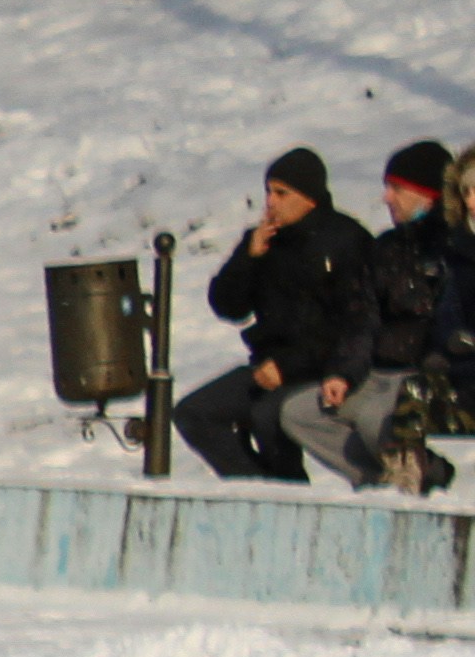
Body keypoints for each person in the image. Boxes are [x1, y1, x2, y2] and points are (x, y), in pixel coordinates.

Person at [182, 146, 366, 485]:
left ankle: (285, 491)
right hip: (267, 366)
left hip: (318, 368)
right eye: (268, 191)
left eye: (281, 193)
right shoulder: (265, 240)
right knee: (194, 413)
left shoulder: (344, 240)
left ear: (309, 197)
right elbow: (228, 306)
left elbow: (350, 323)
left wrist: (289, 367)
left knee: (269, 415)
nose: (270, 202)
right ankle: (256, 487)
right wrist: (248, 257)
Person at [303, 136, 461, 498]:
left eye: (397, 188)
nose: (387, 198)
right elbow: (362, 319)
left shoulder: (454, 248)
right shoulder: (387, 247)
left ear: (428, 193)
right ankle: (381, 478)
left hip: (425, 375)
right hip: (378, 371)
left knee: (379, 420)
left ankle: (411, 478)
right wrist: (343, 372)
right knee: (300, 412)